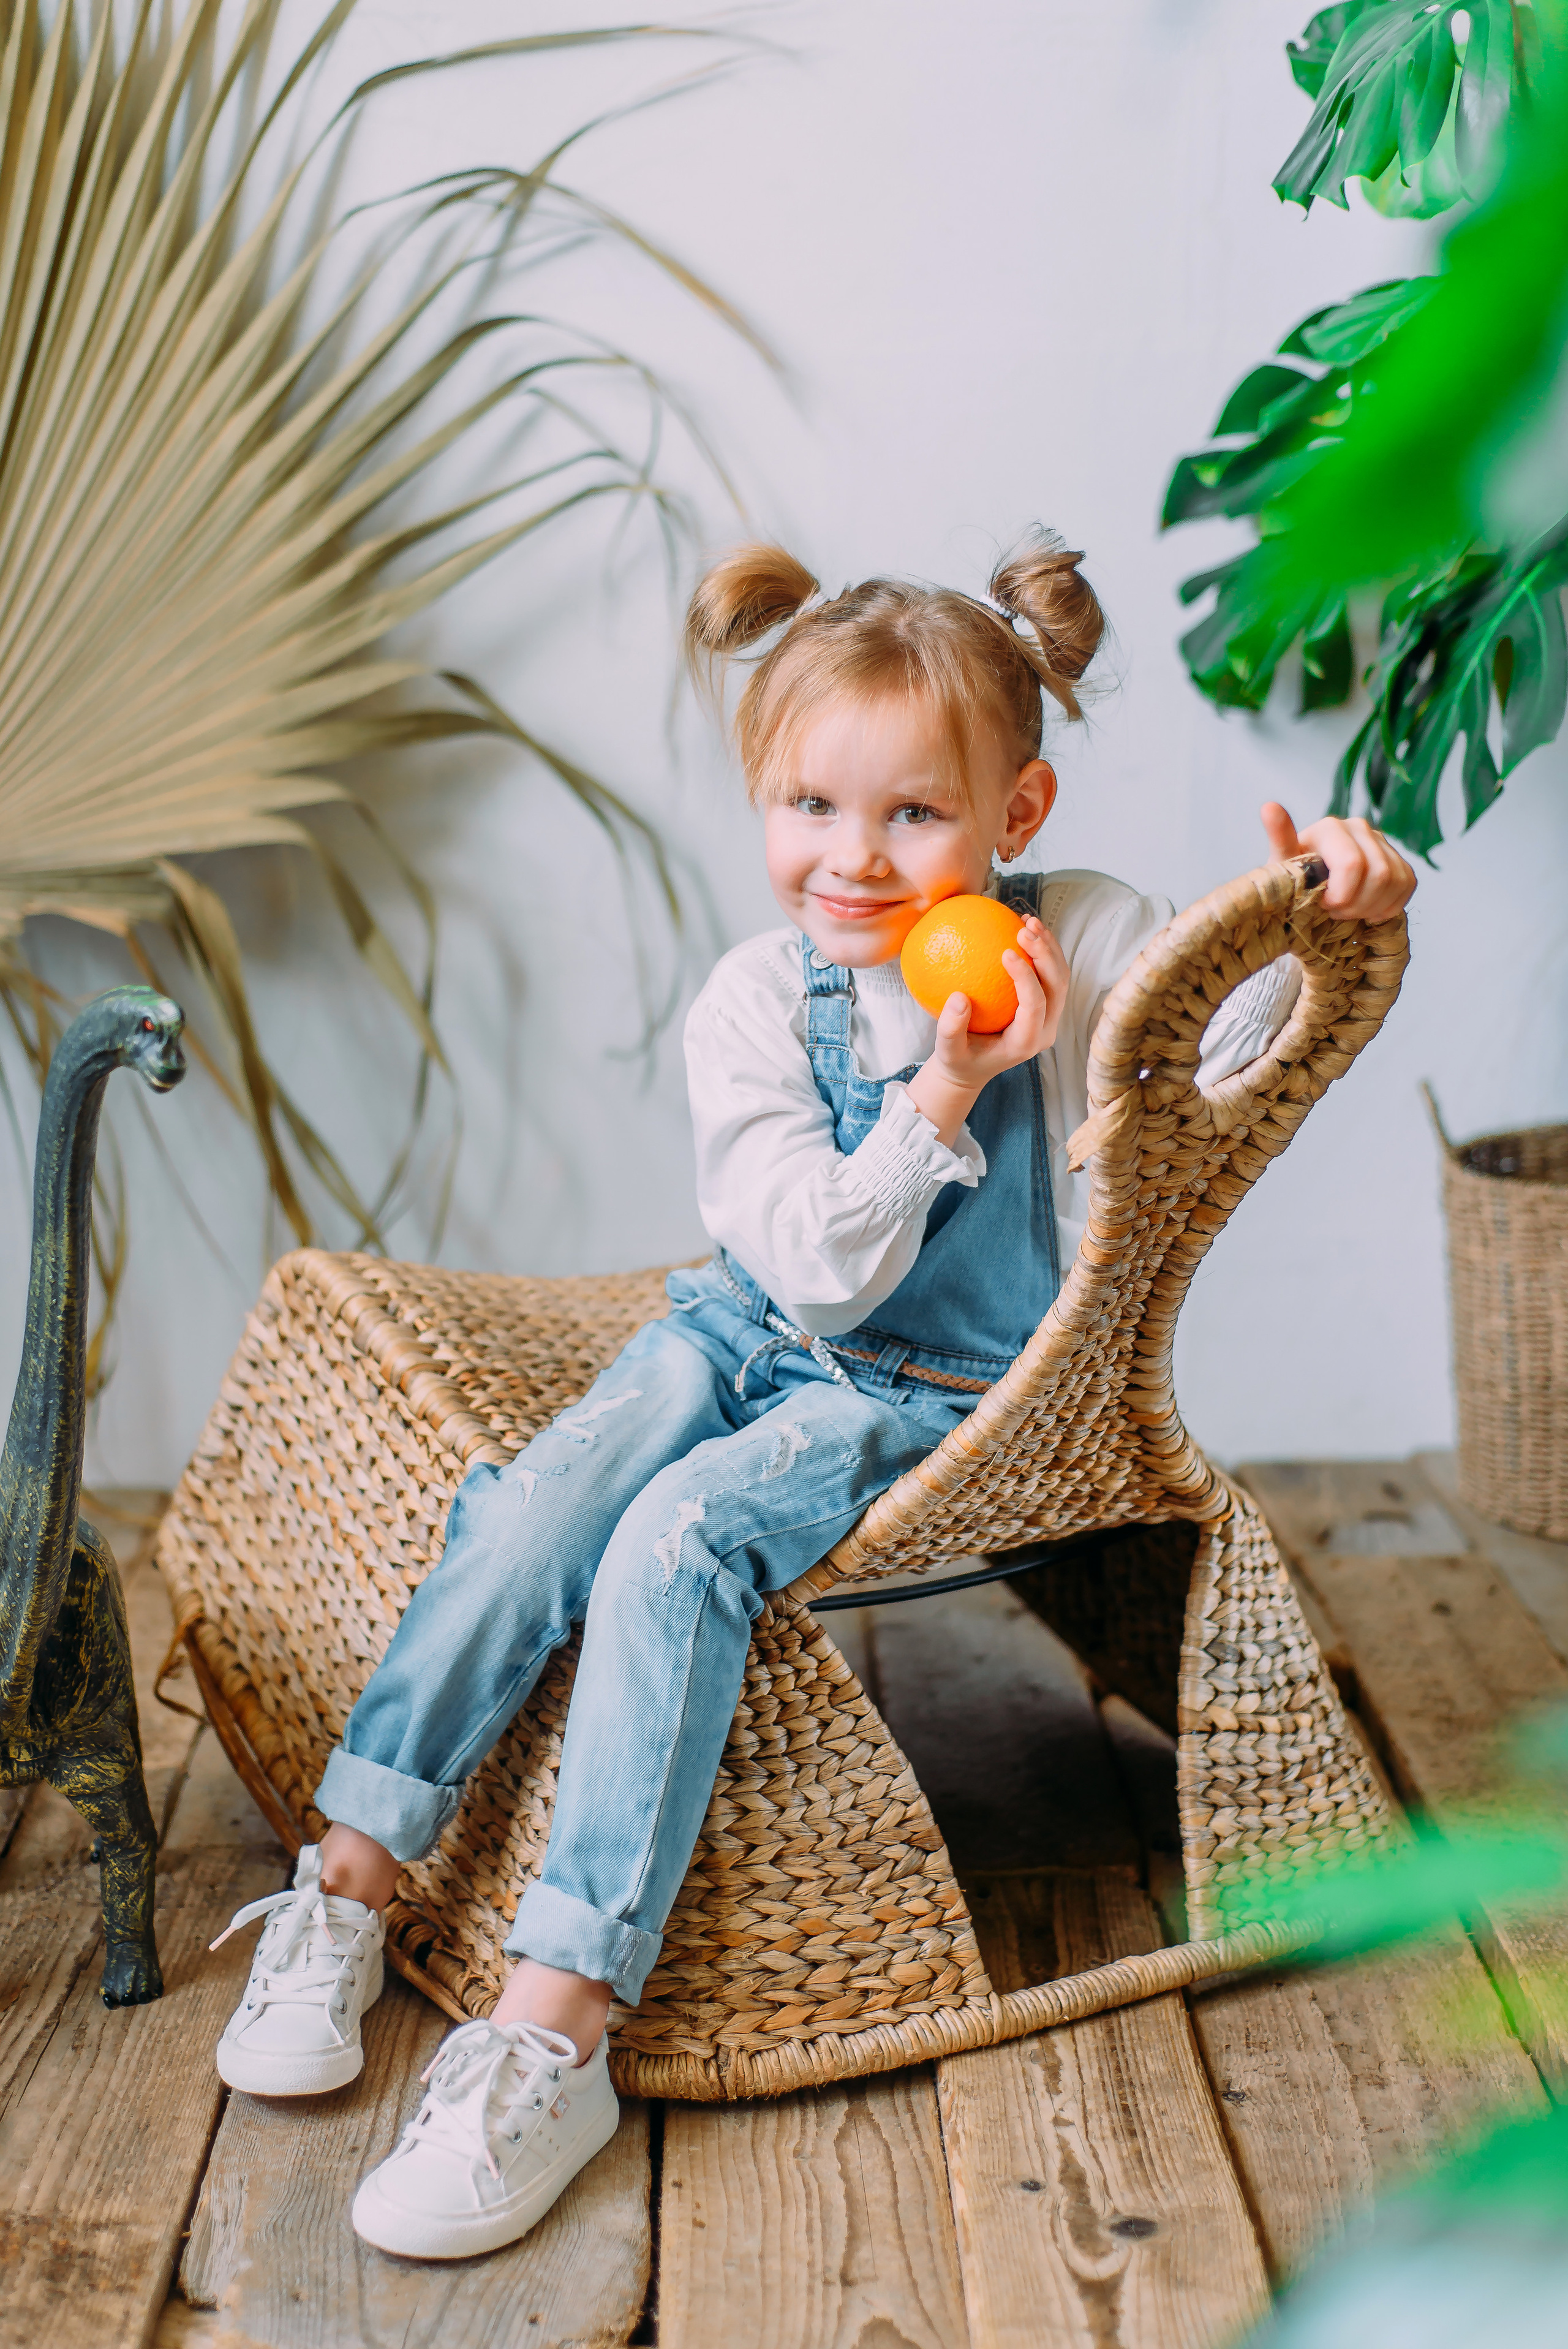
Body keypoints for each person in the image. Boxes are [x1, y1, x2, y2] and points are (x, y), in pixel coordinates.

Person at [208, 533, 1417, 2259]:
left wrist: (1328, 915)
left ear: (1018, 807)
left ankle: (554, 2031)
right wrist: (941, 1085)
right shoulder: (757, 1003)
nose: (852, 858)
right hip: (752, 1321)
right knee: (559, 1491)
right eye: (808, 806)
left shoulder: (1087, 936)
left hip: (949, 1392)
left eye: (914, 814)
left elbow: (1220, 1060)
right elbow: (810, 1266)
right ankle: (350, 1873)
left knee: (681, 1538)